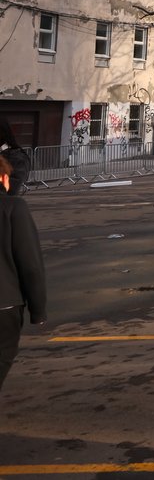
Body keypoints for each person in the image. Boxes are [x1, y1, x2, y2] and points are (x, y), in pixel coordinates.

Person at [0, 150, 46, 392]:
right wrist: (38, 310)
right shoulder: (13, 207)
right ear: (3, 179)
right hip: (4, 306)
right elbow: (30, 264)